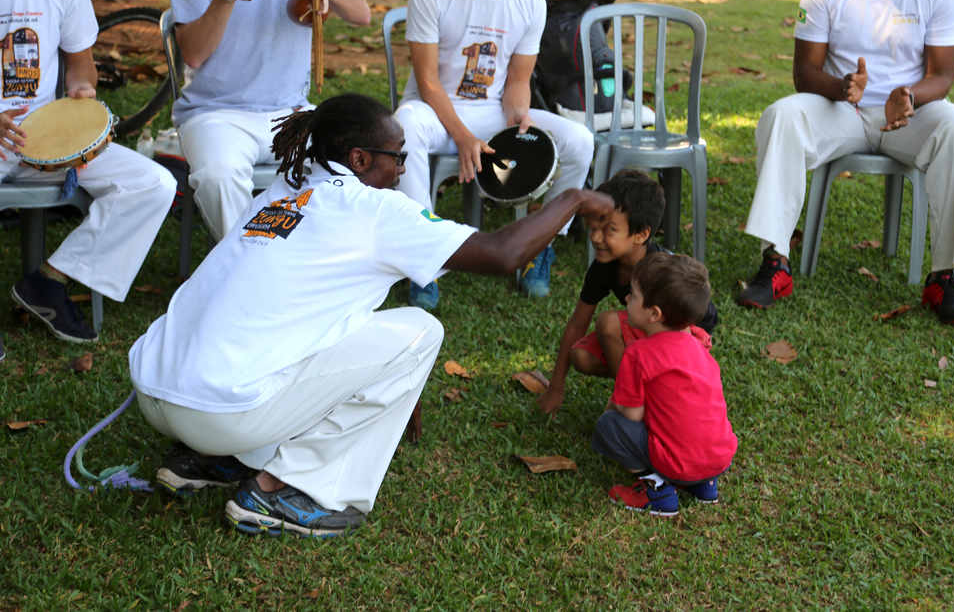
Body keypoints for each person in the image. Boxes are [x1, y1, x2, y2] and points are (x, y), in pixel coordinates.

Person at [128, 93, 614, 538]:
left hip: (154, 394)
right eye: (397, 156)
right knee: (421, 330)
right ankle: (285, 491)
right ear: (359, 159)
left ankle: (214, 460)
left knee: (305, 332)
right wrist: (572, 198)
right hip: (221, 413)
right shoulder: (376, 210)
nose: (403, 168)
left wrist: (394, 386)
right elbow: (501, 253)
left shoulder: (284, 189)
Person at [736, 0, 954, 326]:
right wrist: (842, 87)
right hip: (841, 110)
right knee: (782, 116)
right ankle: (776, 262)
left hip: (908, 113)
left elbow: (942, 77)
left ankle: (944, 277)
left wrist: (909, 96)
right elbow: (805, 74)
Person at [395, 0, 594, 308]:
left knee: (580, 140)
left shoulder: (530, 1)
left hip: (492, 111)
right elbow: (428, 82)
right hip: (433, 110)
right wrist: (464, 136)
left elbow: (518, 81)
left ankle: (540, 246)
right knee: (404, 126)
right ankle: (423, 259)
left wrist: (519, 119)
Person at [1, 0, 176, 343]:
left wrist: (82, 93)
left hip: (43, 142)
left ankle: (50, 280)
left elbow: (81, 64)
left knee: (152, 184)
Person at [167, 0, 370, 241]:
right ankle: (246, 265)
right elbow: (193, 54)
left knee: (349, 165)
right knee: (219, 176)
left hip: (291, 110)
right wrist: (223, 0)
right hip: (216, 113)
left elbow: (362, 14)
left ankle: (307, 261)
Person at [536, 170, 718, 414]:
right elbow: (577, 324)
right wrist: (555, 388)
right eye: (594, 227)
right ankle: (635, 392)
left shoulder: (661, 270)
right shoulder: (604, 265)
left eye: (610, 230)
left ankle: (639, 403)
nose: (596, 238)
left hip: (688, 340)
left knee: (609, 323)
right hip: (652, 333)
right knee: (580, 355)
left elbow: (690, 327)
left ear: (641, 234)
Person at [592, 252, 737, 516]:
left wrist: (614, 405)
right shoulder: (699, 345)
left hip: (678, 465)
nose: (626, 298)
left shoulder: (639, 354)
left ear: (654, 314)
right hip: (719, 459)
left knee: (609, 426)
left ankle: (657, 490)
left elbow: (633, 414)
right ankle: (703, 485)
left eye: (634, 295)